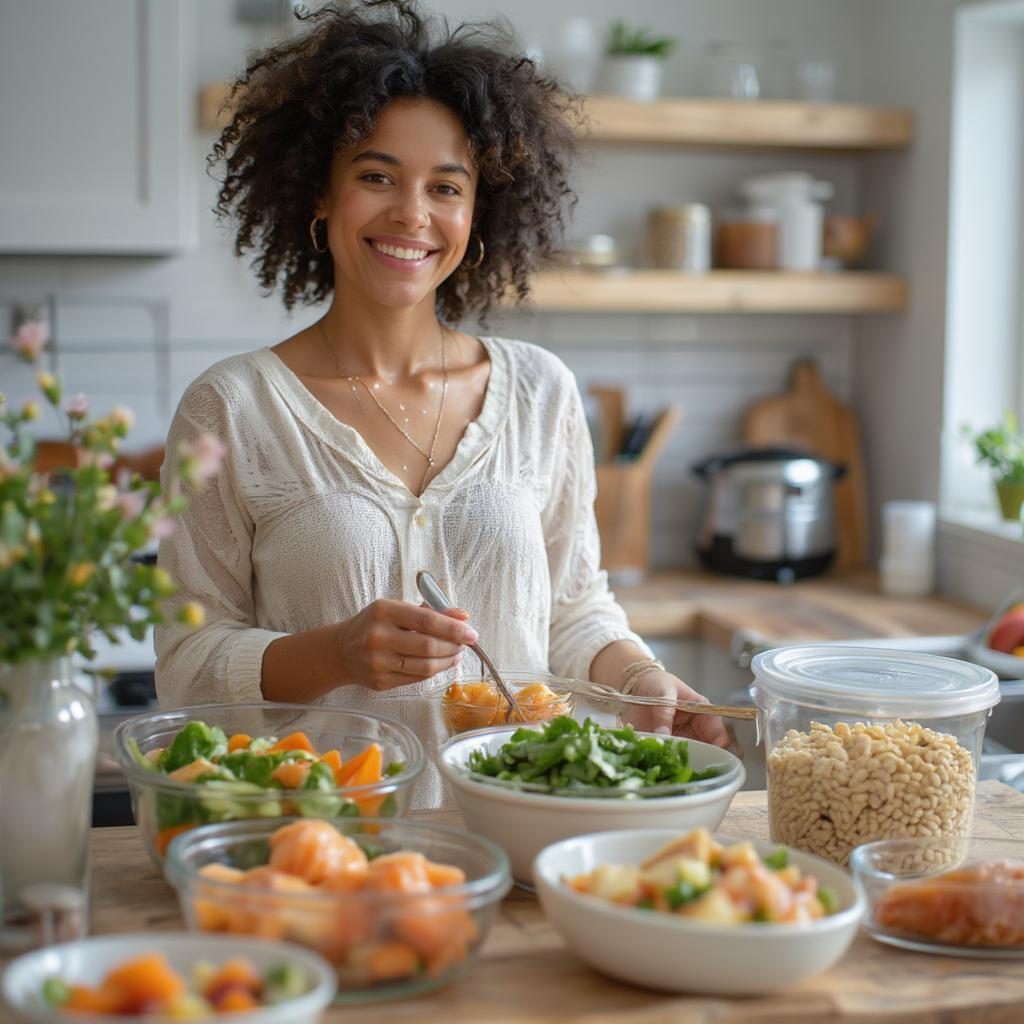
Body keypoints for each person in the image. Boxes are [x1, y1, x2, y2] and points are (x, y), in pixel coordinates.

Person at [155, 0, 728, 806]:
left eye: (446, 186)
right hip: (326, 848)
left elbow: (572, 610)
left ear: (476, 212)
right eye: (376, 175)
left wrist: (642, 678)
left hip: (528, 840)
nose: (412, 215)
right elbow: (186, 665)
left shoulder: (539, 392)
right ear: (321, 194)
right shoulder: (232, 409)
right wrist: (335, 654)